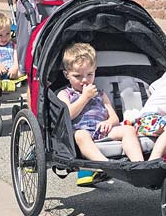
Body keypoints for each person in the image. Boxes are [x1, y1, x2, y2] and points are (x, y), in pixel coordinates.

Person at [58, 43, 144, 186]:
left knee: (128, 129)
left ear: (95, 71)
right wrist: (84, 97)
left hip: (101, 132)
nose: (84, 80)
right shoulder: (65, 94)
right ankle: (106, 165)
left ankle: (139, 165)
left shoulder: (100, 93)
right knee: (81, 135)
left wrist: (108, 122)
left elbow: (115, 118)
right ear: (67, 75)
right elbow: (68, 115)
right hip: (79, 133)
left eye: (89, 74)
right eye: (77, 76)